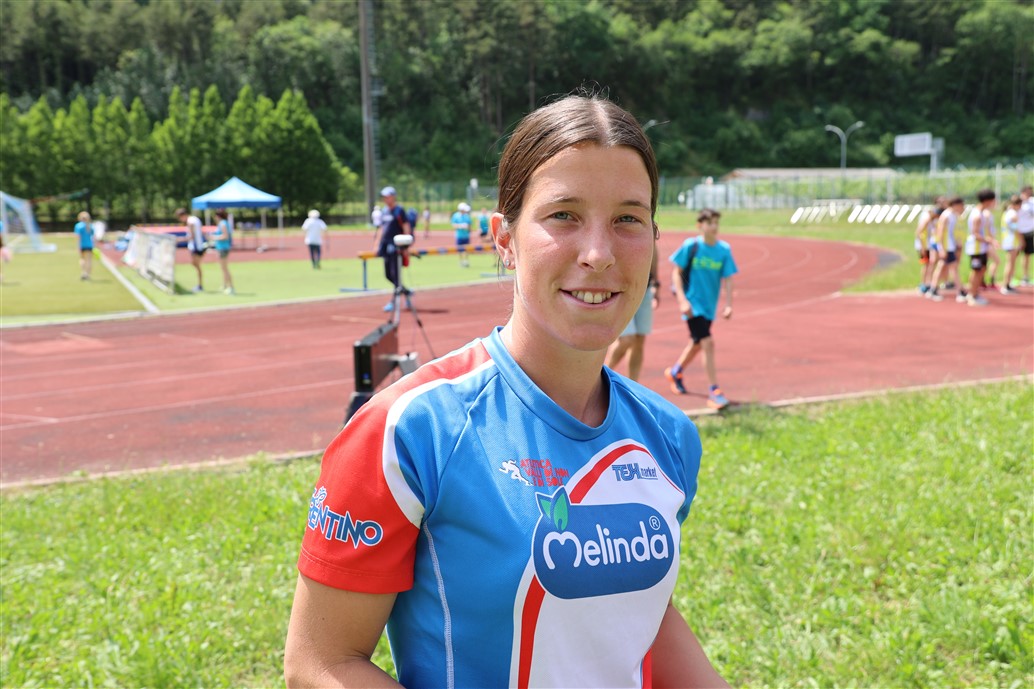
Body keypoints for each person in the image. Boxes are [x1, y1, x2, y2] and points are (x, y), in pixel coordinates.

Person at [284, 93, 728, 689]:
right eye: (564, 215)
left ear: (652, 237)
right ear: (504, 239)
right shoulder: (410, 431)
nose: (599, 254)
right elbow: (319, 663)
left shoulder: (669, 436)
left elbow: (639, 615)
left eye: (627, 219)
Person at [665, 208, 738, 410]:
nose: (714, 226)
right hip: (692, 304)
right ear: (700, 225)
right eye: (710, 223)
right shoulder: (692, 246)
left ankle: (675, 372)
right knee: (707, 342)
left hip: (709, 306)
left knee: (697, 343)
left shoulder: (724, 250)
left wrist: (729, 304)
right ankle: (715, 390)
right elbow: (676, 273)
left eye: (716, 223)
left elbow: (728, 279)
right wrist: (682, 300)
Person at [606, 239, 660, 381]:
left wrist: (656, 282)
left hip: (644, 288)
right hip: (622, 288)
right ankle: (600, 377)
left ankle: (633, 384)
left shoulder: (648, 229)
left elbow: (653, 248)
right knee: (626, 339)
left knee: (639, 340)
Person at [373, 186, 412, 312]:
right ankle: (406, 292)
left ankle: (394, 302)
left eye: (387, 197)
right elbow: (381, 228)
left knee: (396, 275)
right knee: (388, 275)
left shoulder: (399, 211)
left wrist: (406, 246)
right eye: (384, 197)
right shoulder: (384, 211)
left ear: (393, 197)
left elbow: (406, 226)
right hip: (385, 245)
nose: (385, 199)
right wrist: (376, 244)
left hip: (397, 246)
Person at [926, 196, 966, 303]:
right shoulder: (946, 215)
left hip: (950, 246)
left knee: (945, 266)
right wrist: (941, 248)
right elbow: (940, 232)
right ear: (956, 205)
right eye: (962, 205)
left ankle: (934, 289)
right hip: (946, 246)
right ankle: (959, 290)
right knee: (952, 268)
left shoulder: (953, 215)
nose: (963, 208)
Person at [963, 188, 997, 307]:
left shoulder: (982, 213)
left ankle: (975, 293)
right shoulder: (977, 215)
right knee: (976, 271)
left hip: (981, 248)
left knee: (981, 270)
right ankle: (971, 295)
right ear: (987, 201)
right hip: (976, 248)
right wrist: (990, 240)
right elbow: (975, 233)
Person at [915, 197, 945, 295]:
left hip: (929, 244)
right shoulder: (927, 218)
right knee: (926, 264)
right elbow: (919, 232)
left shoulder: (933, 218)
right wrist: (922, 247)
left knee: (931, 264)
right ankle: (923, 284)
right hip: (923, 245)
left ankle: (928, 283)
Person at [176, 207, 206, 293]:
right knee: (195, 264)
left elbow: (192, 236)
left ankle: (200, 285)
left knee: (196, 265)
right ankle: (199, 285)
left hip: (196, 246)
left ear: (183, 215)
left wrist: (180, 240)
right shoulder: (195, 219)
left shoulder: (190, 221)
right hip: (199, 245)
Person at [999, 195, 1022, 294]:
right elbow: (1015, 229)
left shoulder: (1007, 212)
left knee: (1011, 263)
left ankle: (1008, 284)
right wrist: (1021, 240)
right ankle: (1006, 285)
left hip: (1007, 240)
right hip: (1012, 241)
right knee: (1010, 263)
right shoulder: (1013, 214)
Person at [210, 208, 235, 295]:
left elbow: (225, 236)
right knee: (223, 268)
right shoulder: (223, 223)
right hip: (221, 247)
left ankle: (231, 287)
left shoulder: (223, 224)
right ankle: (225, 285)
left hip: (223, 248)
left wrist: (214, 237)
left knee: (225, 268)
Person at [1017, 185, 1034, 285]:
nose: (1029, 194)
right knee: (1014, 255)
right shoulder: (1018, 203)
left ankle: (1025, 276)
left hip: (1029, 232)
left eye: (1030, 192)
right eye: (1027, 192)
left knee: (1027, 255)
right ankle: (1010, 277)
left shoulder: (1032, 202)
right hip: (1019, 233)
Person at [451, 201, 473, 267]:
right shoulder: (456, 216)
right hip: (459, 236)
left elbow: (470, 227)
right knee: (460, 250)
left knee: (466, 249)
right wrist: (460, 226)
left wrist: (467, 227)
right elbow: (453, 225)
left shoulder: (467, 216)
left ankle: (466, 261)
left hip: (466, 236)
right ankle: (461, 261)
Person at [74, 211, 94, 280]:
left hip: (82, 245)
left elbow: (78, 237)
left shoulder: (78, 226)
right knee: (89, 260)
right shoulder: (90, 225)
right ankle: (87, 274)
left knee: (82, 259)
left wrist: (78, 246)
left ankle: (83, 273)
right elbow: (93, 237)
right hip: (90, 245)